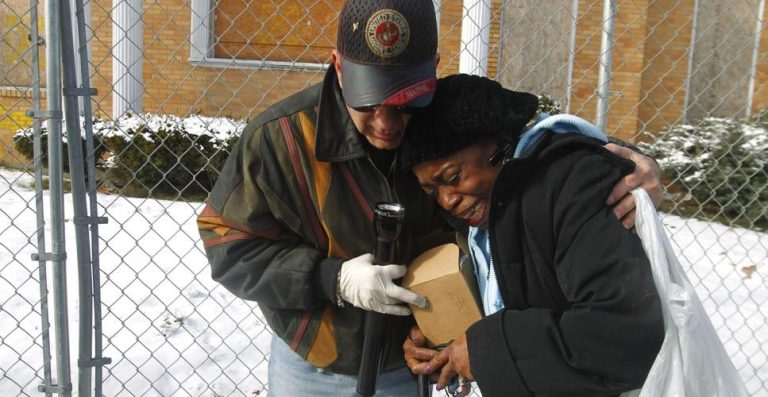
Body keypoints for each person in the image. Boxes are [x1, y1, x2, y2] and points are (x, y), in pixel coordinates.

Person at [196, 0, 663, 395]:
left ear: (432, 69)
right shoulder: (279, 140)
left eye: (402, 101)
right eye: (368, 102)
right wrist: (332, 280)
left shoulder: (439, 116)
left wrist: (623, 163)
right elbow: (228, 246)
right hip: (317, 362)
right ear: (338, 66)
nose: (386, 123)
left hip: (414, 358)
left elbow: (521, 144)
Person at [400, 74, 666, 396]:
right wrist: (440, 342)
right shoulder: (481, 216)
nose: (447, 200)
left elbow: (625, 336)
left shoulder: (573, 186)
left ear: (501, 143)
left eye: (453, 177)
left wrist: (485, 351)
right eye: (432, 191)